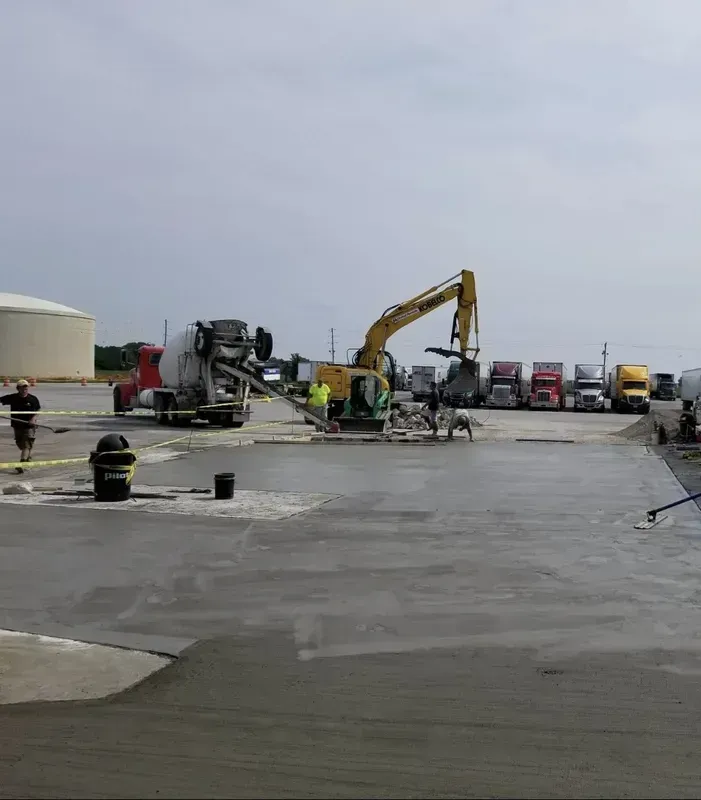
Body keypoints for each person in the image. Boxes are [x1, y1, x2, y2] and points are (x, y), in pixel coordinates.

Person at [1, 379, 41, 474]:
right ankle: (27, 457)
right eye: (22, 388)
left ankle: (21, 464)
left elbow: (38, 409)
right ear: (18, 388)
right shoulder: (12, 398)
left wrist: (33, 419)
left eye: (26, 387)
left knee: (26, 444)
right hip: (17, 425)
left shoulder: (32, 399)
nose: (24, 389)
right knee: (20, 444)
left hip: (29, 426)